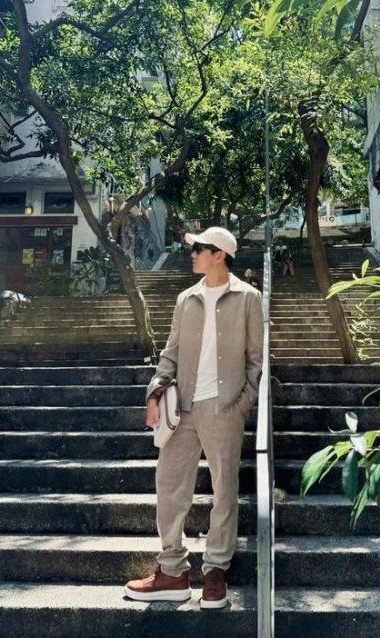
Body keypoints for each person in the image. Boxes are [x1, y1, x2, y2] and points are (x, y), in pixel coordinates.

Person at [124, 226, 263, 609]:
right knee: (169, 486)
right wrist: (155, 391)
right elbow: (170, 353)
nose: (193, 253)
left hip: (224, 408)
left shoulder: (249, 298)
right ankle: (172, 571)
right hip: (182, 407)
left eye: (199, 248)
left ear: (219, 255)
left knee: (224, 490)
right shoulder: (186, 299)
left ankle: (215, 570)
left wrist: (242, 403)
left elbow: (256, 360)